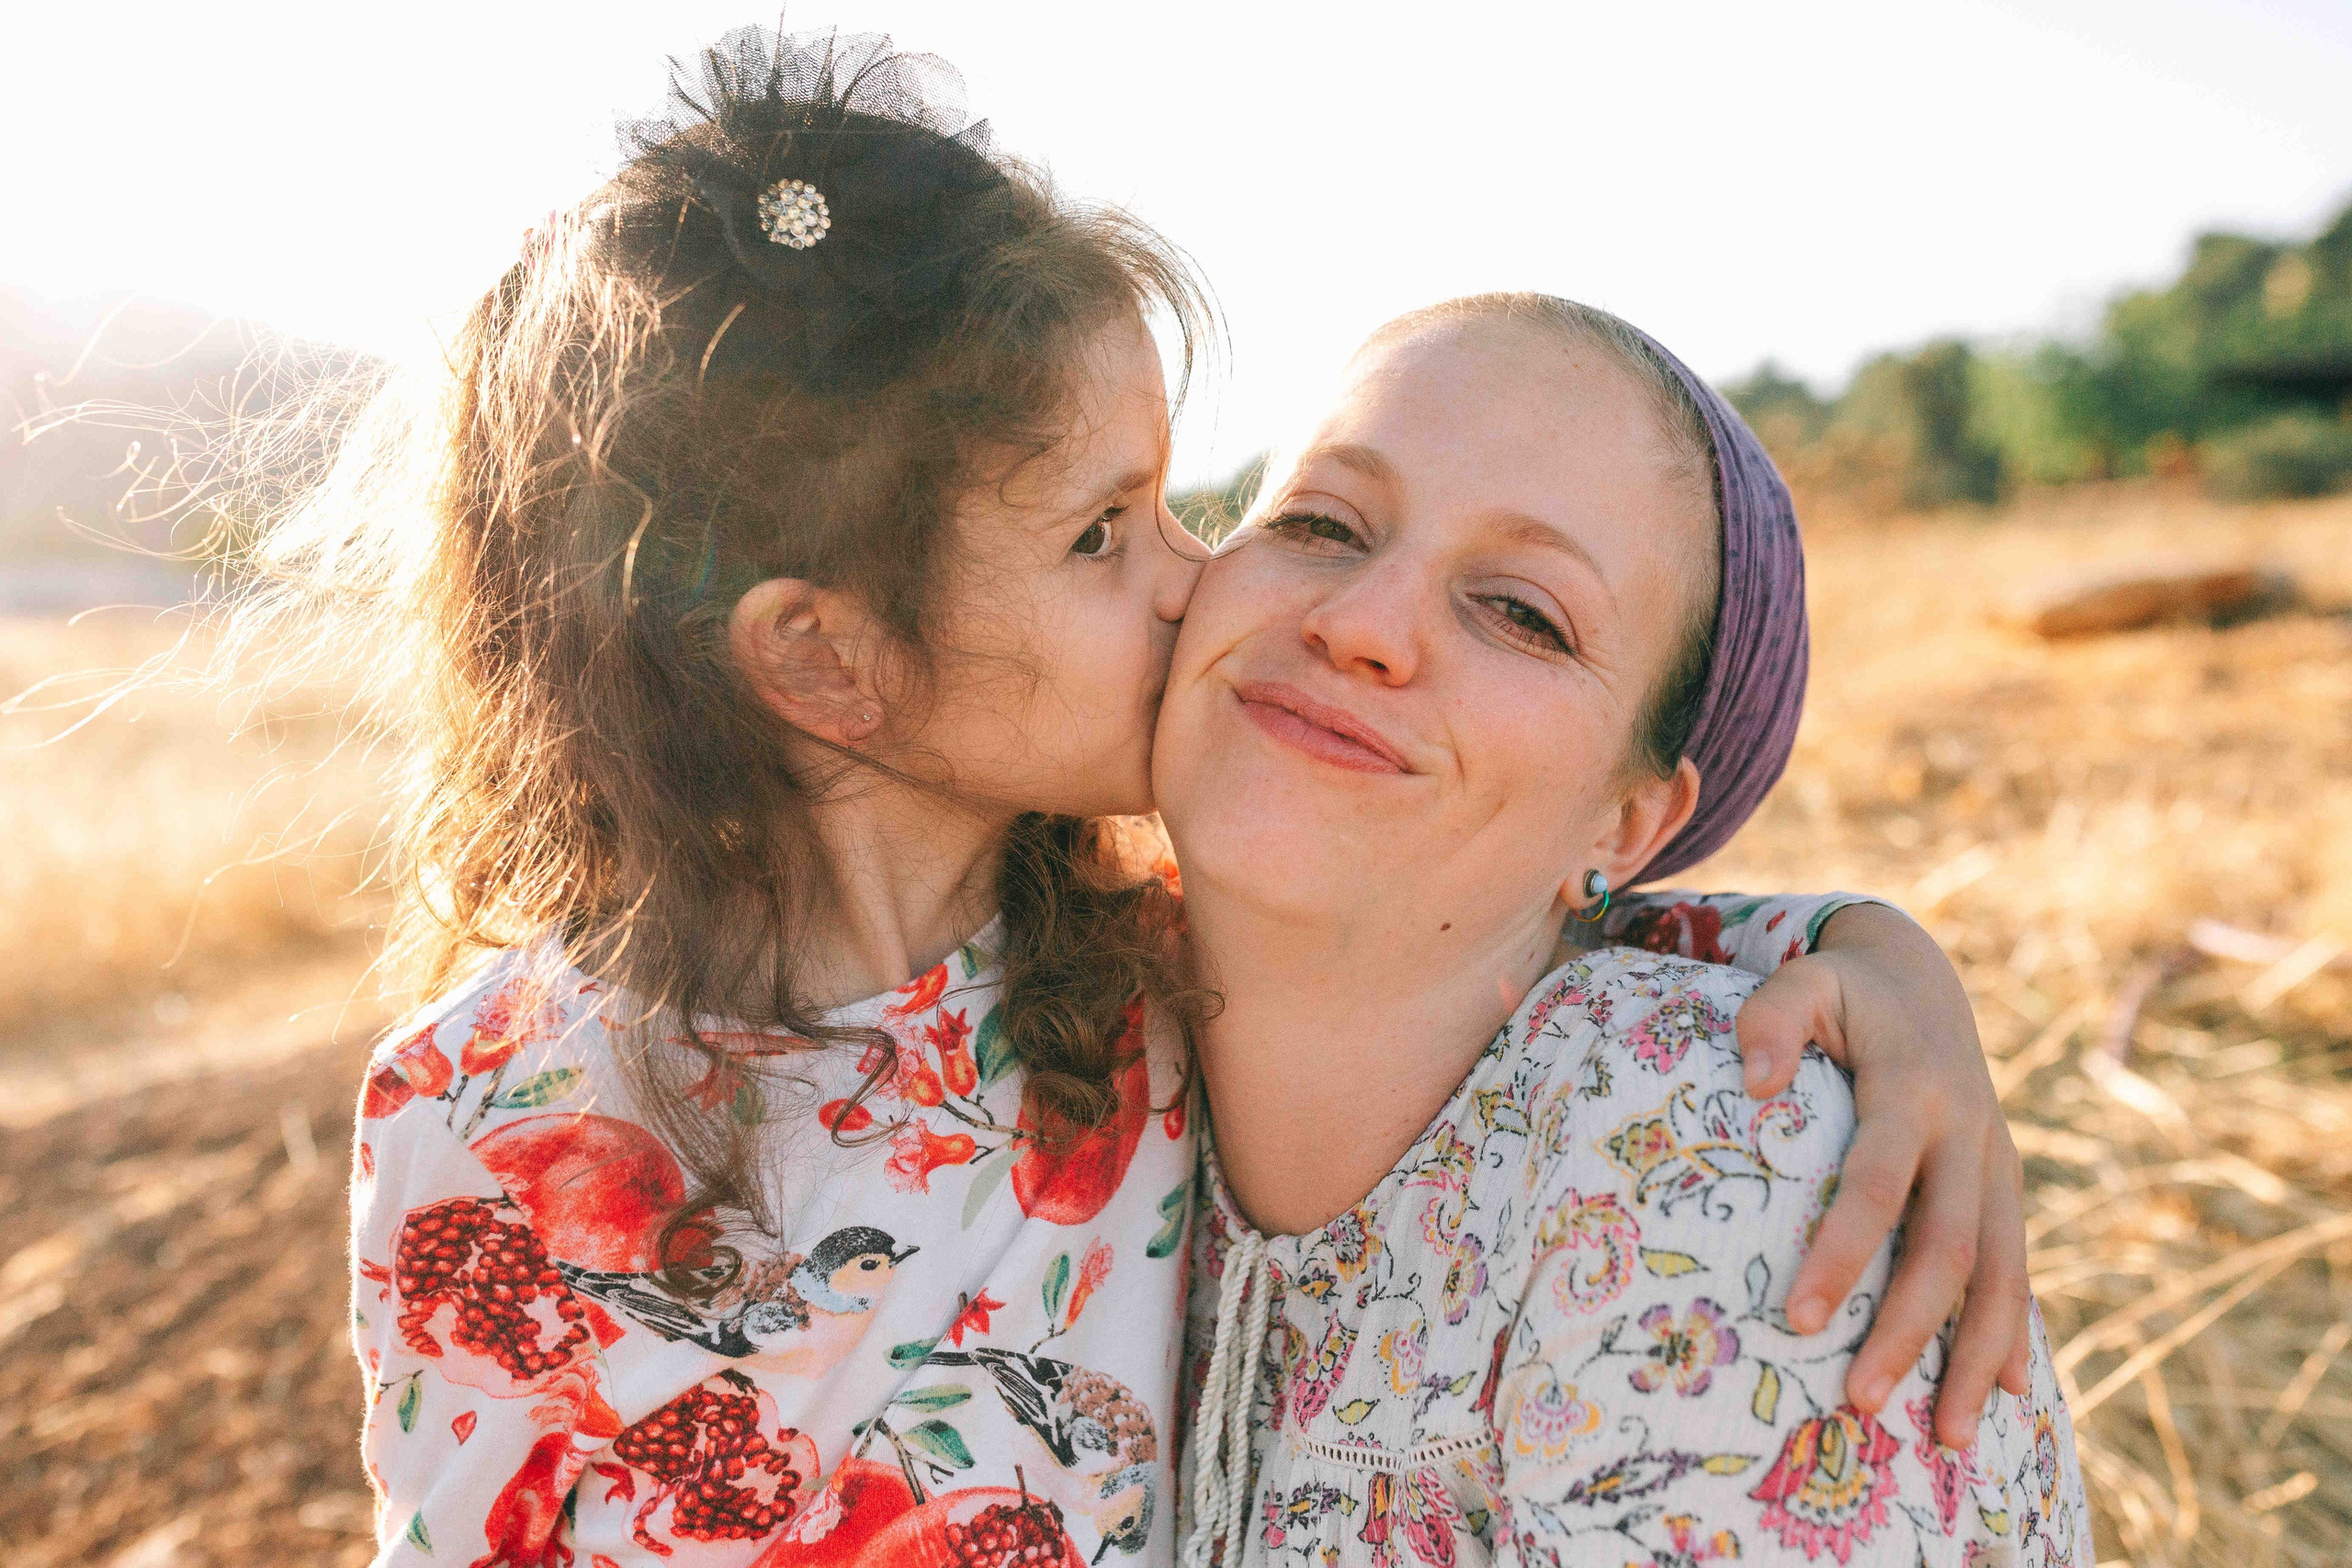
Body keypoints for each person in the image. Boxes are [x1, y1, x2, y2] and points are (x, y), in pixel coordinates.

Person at [260, 28, 2028, 1568]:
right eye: (1115, 533)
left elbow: (1531, 943)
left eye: (1189, 506)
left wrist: (1871, 952)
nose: (1206, 585)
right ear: (826, 660)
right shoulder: (484, 1105)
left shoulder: (1129, 986)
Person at [1161, 296, 2090, 1567]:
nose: (1360, 624)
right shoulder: (1043, 1033)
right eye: (1318, 523)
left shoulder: (1717, 1170)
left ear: (1631, 824)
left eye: (1522, 612)